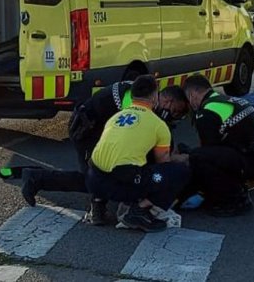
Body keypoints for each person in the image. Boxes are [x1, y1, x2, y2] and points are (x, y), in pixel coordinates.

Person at [20, 82, 189, 226]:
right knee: (95, 176)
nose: (172, 116)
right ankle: (38, 179)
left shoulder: (139, 94)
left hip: (99, 127)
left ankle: (97, 201)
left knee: (103, 175)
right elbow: (131, 137)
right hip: (87, 130)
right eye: (175, 111)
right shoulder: (135, 102)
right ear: (167, 100)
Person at [85, 75, 191, 232]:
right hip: (125, 183)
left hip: (93, 181)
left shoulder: (116, 117)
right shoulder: (158, 124)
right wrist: (181, 159)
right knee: (178, 172)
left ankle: (98, 206)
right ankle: (138, 210)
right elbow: (163, 163)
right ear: (155, 97)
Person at [182, 74, 254, 217]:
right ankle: (237, 187)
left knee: (199, 158)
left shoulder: (207, 111)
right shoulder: (228, 100)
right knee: (202, 154)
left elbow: (208, 151)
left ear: (192, 95)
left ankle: (235, 200)